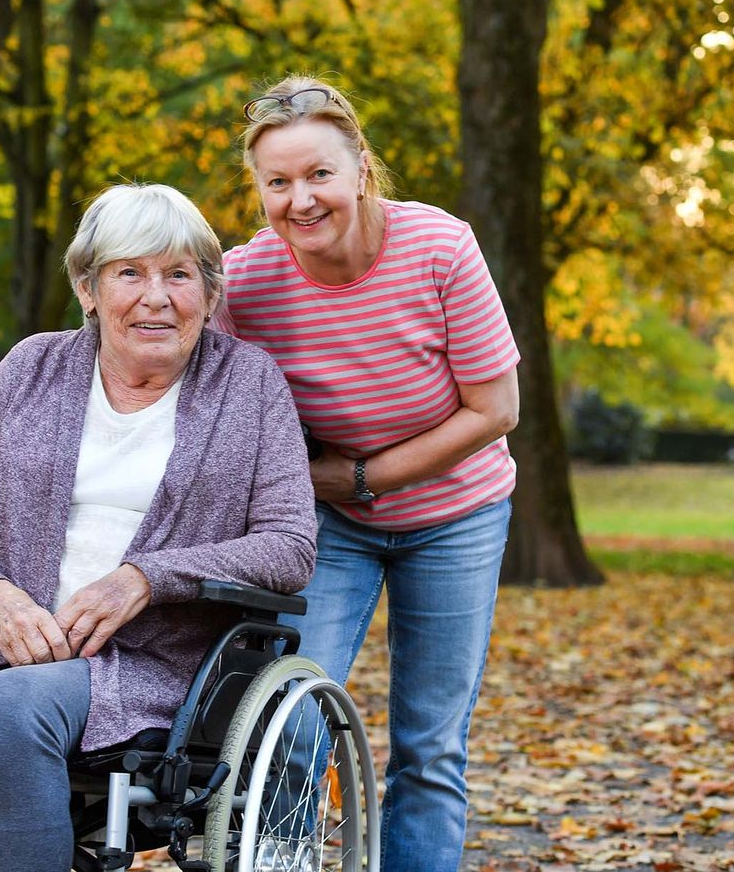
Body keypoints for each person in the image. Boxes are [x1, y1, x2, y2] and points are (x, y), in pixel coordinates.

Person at [0, 183, 316, 872]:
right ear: (88, 287)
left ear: (208, 290)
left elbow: (288, 546)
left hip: (149, 660)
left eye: (179, 274)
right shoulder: (32, 366)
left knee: (8, 709)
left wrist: (146, 577)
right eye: (129, 273)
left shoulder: (250, 384)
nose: (156, 296)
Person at [214, 75, 521, 872]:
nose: (300, 199)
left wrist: (360, 478)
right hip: (329, 522)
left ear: (359, 171)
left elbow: (494, 409)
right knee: (289, 721)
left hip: (457, 511)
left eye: (318, 174)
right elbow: (204, 402)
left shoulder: (439, 247)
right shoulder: (244, 283)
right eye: (276, 182)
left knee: (428, 742)